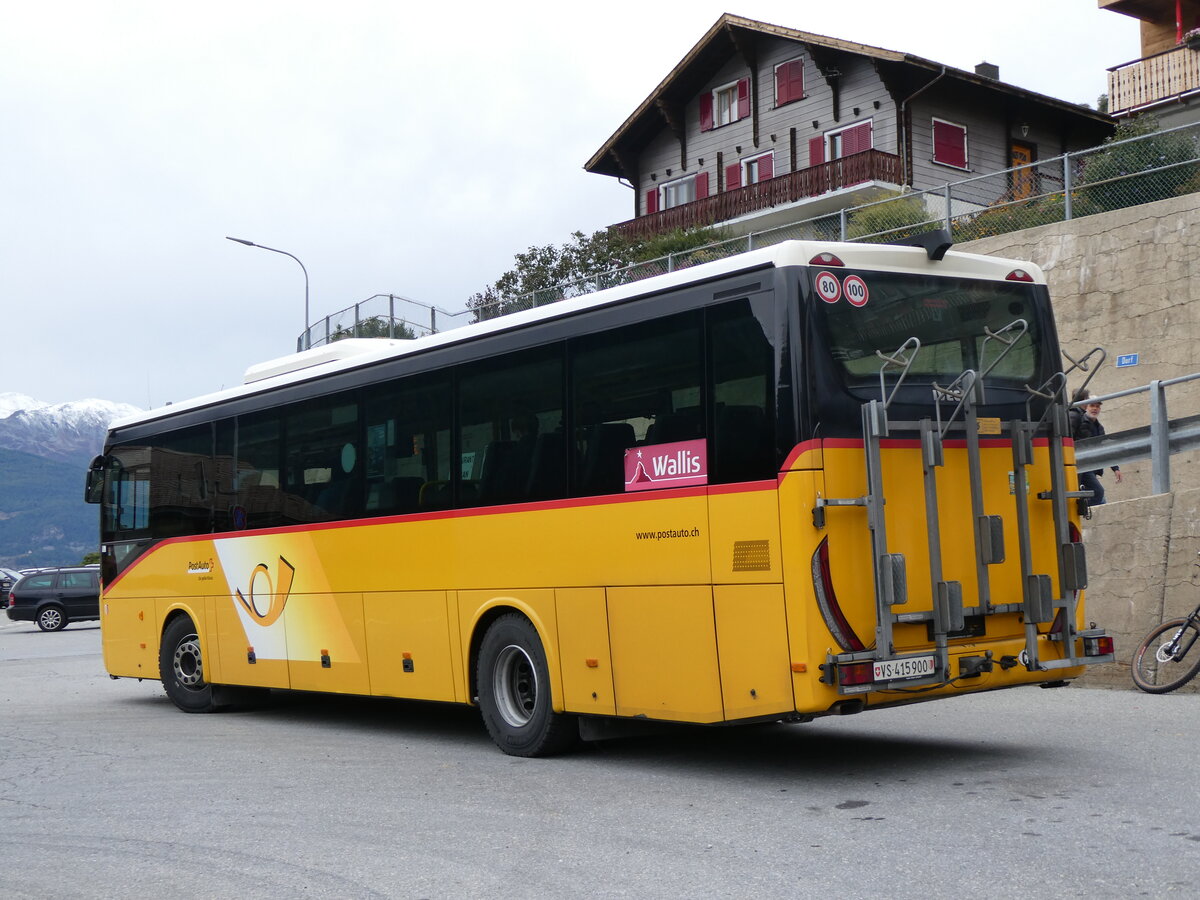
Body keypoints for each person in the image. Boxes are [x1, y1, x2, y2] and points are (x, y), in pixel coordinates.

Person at [1069, 389, 1123, 505]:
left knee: (1100, 498)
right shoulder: (1077, 418)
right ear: (1085, 406)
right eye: (1092, 405)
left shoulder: (1098, 427)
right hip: (1079, 464)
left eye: (1097, 406)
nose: (1095, 408)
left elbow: (1104, 448)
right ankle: (1077, 509)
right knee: (1098, 492)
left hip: (1088, 466)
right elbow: (1068, 439)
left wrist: (1115, 468)